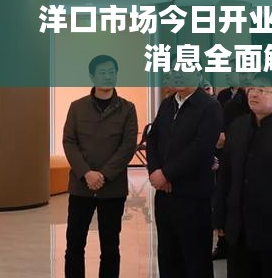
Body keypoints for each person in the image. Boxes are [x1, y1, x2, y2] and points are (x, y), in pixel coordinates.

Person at [214, 72, 272, 278]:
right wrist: (219, 216)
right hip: (238, 229)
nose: (253, 94)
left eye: (262, 90)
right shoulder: (238, 127)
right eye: (252, 88)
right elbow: (226, 176)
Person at [63, 55, 138, 278]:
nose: (107, 77)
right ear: (92, 76)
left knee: (110, 247)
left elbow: (128, 146)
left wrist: (103, 175)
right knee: (75, 244)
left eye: (111, 72)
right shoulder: (77, 107)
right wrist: (86, 173)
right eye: (102, 73)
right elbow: (69, 141)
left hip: (112, 189)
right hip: (81, 187)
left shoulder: (127, 109)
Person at [146, 68, 222, 278]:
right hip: (165, 195)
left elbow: (201, 148)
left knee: (195, 259)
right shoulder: (167, 104)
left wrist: (167, 174)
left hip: (193, 196)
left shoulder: (209, 106)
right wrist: (155, 171)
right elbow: (152, 139)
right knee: (168, 256)